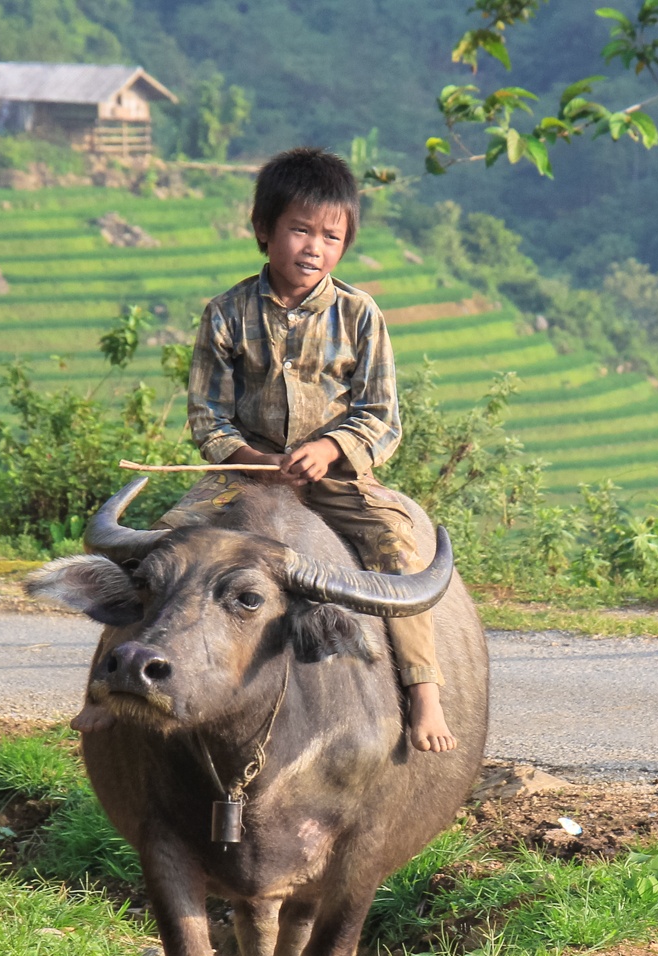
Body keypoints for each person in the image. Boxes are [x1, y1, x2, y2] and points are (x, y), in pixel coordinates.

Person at [187, 146, 456, 752]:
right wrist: (248, 459)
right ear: (264, 230)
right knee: (166, 545)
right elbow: (207, 417)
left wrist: (331, 448)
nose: (314, 247)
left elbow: (381, 418)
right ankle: (111, 687)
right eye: (299, 229)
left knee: (395, 549)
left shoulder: (360, 315)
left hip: (334, 473)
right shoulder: (226, 314)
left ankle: (423, 690)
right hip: (246, 473)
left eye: (331, 236)